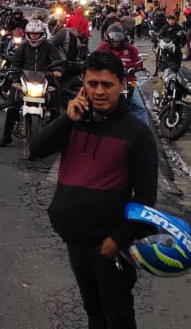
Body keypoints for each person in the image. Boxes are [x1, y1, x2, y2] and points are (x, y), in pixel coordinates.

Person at [28, 51, 158, 329]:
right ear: (83, 84)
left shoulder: (137, 134)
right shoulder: (73, 121)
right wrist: (66, 119)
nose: (99, 91)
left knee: (118, 316)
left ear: (122, 85)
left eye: (107, 84)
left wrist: (120, 239)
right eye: (92, 83)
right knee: (93, 310)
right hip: (75, 240)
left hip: (108, 246)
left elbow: (146, 198)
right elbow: (36, 149)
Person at [0, 19, 63, 148]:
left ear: (41, 34)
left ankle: (57, 139)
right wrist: (16, 75)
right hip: (25, 79)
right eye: (32, 33)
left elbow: (57, 60)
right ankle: (6, 136)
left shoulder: (49, 46)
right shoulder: (23, 46)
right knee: (13, 105)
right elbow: (16, 62)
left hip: (45, 79)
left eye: (36, 34)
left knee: (55, 105)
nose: (34, 36)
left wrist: (58, 70)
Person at [93, 26, 149, 124]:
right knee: (96, 104)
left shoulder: (131, 48)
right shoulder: (103, 48)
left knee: (139, 106)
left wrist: (127, 65)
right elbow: (93, 60)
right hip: (108, 82)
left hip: (129, 81)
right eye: (114, 40)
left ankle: (145, 130)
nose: (116, 42)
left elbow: (139, 63)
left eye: (118, 40)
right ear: (109, 38)